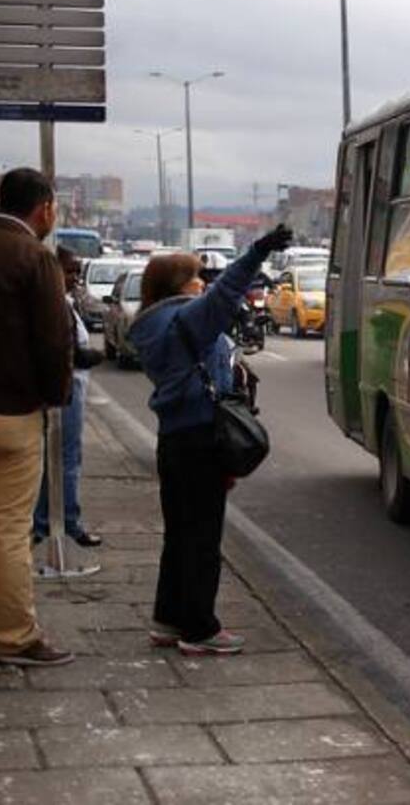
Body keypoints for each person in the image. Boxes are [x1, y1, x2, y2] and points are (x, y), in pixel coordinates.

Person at [127, 225, 292, 656]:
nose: (204, 284)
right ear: (179, 287)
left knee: (180, 535)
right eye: (197, 278)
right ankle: (199, 627)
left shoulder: (154, 323)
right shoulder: (186, 318)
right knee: (202, 538)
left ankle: (168, 618)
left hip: (174, 440)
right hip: (200, 438)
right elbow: (224, 296)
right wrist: (257, 252)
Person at [0, 167, 75, 666]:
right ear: (43, 209)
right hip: (12, 413)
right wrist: (54, 396)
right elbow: (52, 340)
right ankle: (14, 636)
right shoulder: (34, 257)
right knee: (9, 526)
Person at [33, 246, 104, 547]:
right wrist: (96, 355)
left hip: (68, 387)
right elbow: (70, 354)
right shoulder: (56, 305)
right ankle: (67, 521)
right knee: (67, 458)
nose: (75, 277)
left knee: (56, 458)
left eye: (77, 271)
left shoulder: (64, 302)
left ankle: (44, 521)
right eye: (69, 270)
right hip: (67, 389)